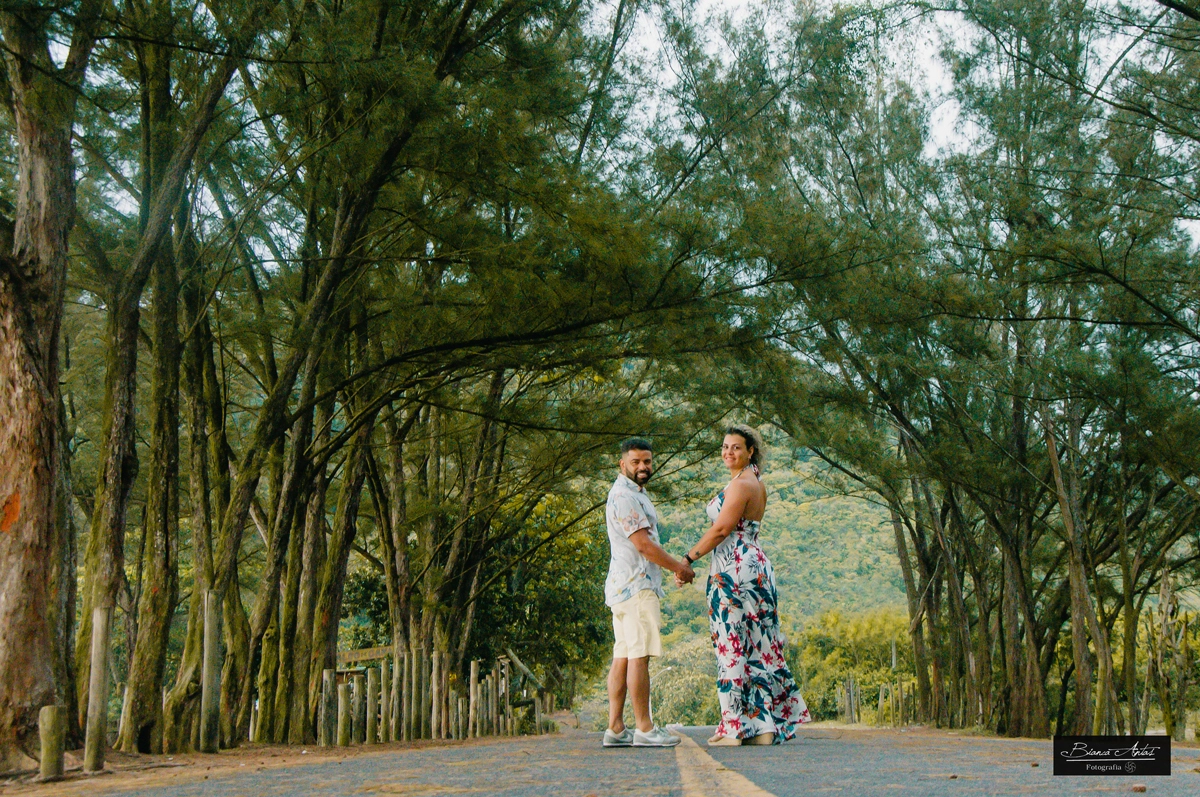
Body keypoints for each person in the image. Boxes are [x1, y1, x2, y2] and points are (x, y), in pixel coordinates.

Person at [676, 424, 812, 746]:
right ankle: (762, 726)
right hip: (754, 566)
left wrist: (687, 560)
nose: (728, 452)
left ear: (750, 450)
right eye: (724, 447)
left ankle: (734, 727)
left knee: (731, 644)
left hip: (733, 568)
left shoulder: (741, 485)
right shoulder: (753, 482)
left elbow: (722, 529)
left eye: (735, 447)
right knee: (756, 644)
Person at [602, 437, 695, 748]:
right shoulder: (625, 498)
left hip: (622, 586)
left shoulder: (632, 494)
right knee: (639, 656)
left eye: (647, 462)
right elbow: (643, 545)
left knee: (624, 655)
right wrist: (679, 569)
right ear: (622, 464)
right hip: (636, 586)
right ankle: (644, 727)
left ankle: (615, 728)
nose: (643, 467)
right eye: (635, 462)